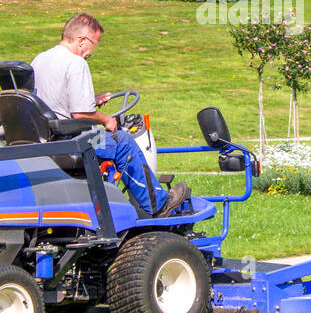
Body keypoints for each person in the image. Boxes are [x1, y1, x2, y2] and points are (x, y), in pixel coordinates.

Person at [31, 13, 191, 216]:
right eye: (94, 44)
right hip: (73, 143)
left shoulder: (39, 59)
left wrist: (92, 100)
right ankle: (158, 204)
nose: (92, 51)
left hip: (47, 142)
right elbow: (80, 114)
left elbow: (52, 100)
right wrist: (106, 119)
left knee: (114, 138)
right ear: (82, 41)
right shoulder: (76, 63)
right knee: (122, 140)